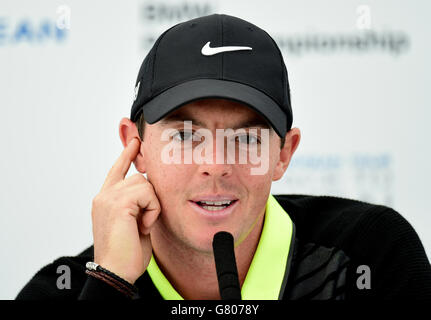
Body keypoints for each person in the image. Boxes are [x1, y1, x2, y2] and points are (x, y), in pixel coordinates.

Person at [16, 13, 431, 300]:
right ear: (135, 146)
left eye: (247, 138)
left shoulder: (370, 254)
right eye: (184, 134)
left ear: (284, 154)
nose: (215, 162)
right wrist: (109, 286)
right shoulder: (65, 290)